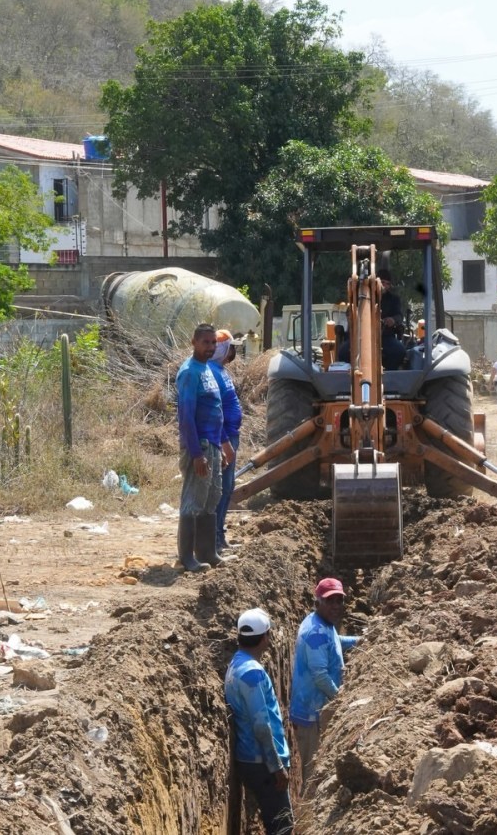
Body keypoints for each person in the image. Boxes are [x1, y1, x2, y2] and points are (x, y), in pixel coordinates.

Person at [224, 608, 293, 835]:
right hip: (262, 762)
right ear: (264, 638)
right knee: (282, 826)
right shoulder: (252, 673)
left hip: (250, 758)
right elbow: (261, 726)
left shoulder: (236, 663)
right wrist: (277, 767)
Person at [290, 578, 361, 790]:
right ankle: (308, 806)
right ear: (317, 602)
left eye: (339, 600)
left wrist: (360, 640)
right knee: (314, 773)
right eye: (330, 601)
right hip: (311, 715)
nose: (336, 606)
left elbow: (334, 641)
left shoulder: (322, 624)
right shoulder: (315, 633)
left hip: (317, 709)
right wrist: (341, 700)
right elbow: (320, 676)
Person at [175, 323, 232, 572]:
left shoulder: (208, 369)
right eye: (205, 342)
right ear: (194, 343)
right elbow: (186, 417)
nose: (210, 347)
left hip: (213, 445)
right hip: (199, 446)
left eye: (213, 343)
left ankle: (208, 552)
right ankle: (187, 558)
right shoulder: (190, 373)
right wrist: (197, 454)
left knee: (212, 499)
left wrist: (221, 446)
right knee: (193, 501)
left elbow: (216, 411)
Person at [211, 329, 243, 554]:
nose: (233, 353)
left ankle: (219, 534)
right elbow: (214, 411)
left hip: (231, 435)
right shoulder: (212, 372)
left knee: (228, 486)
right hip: (223, 438)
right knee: (222, 488)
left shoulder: (221, 371)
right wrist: (224, 441)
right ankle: (214, 537)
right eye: (231, 348)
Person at [376, 269, 406, 370]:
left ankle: (388, 373)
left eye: (388, 284)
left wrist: (393, 319)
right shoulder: (363, 297)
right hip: (362, 338)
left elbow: (399, 316)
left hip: (385, 337)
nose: (385, 286)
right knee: (343, 352)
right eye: (382, 282)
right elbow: (350, 311)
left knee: (399, 351)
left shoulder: (394, 299)